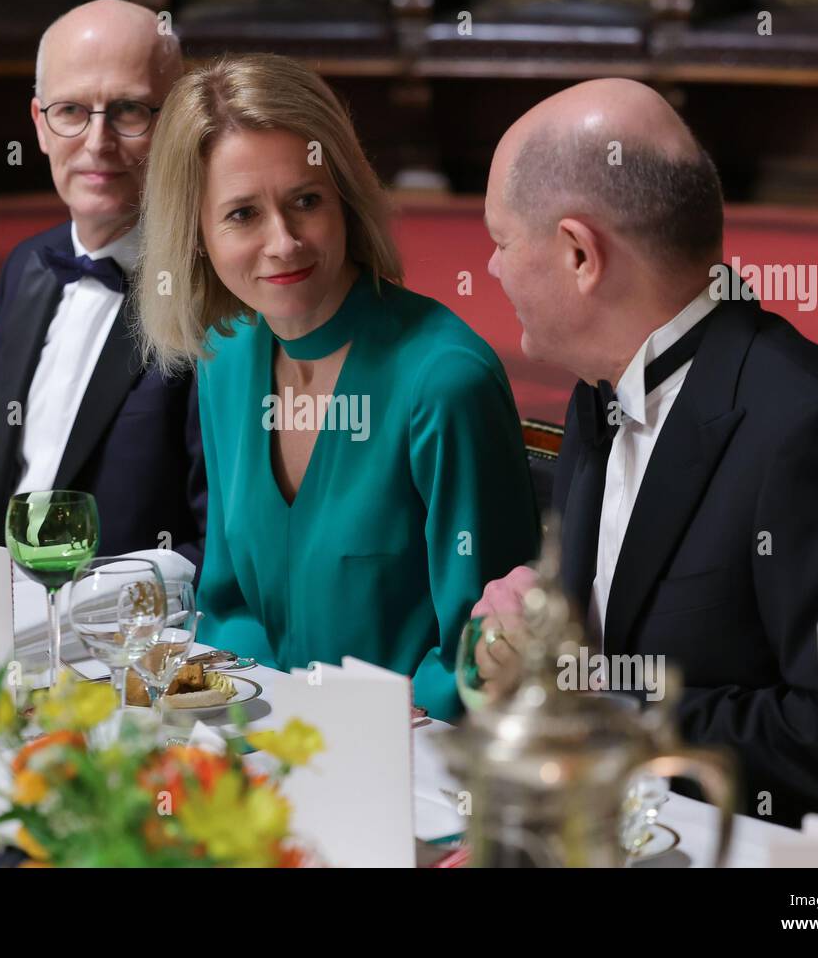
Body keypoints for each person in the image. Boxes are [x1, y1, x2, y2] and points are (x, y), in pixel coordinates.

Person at [473, 78, 818, 825]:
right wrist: (538, 634)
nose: (494, 269)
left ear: (577, 254)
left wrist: (596, 706)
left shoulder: (814, 435)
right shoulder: (602, 382)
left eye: (501, 241)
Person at [137, 53, 539, 720]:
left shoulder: (445, 383)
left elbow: (486, 657)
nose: (284, 242)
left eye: (306, 201)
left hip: (416, 770)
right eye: (242, 215)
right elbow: (231, 602)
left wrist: (380, 717)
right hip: (260, 740)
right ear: (198, 235)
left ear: (346, 201)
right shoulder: (227, 357)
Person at [0, 0, 206, 568]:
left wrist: (94, 606)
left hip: (125, 635)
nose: (97, 142)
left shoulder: (211, 294)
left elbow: (219, 536)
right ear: (39, 126)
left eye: (128, 110)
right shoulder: (28, 265)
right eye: (71, 111)